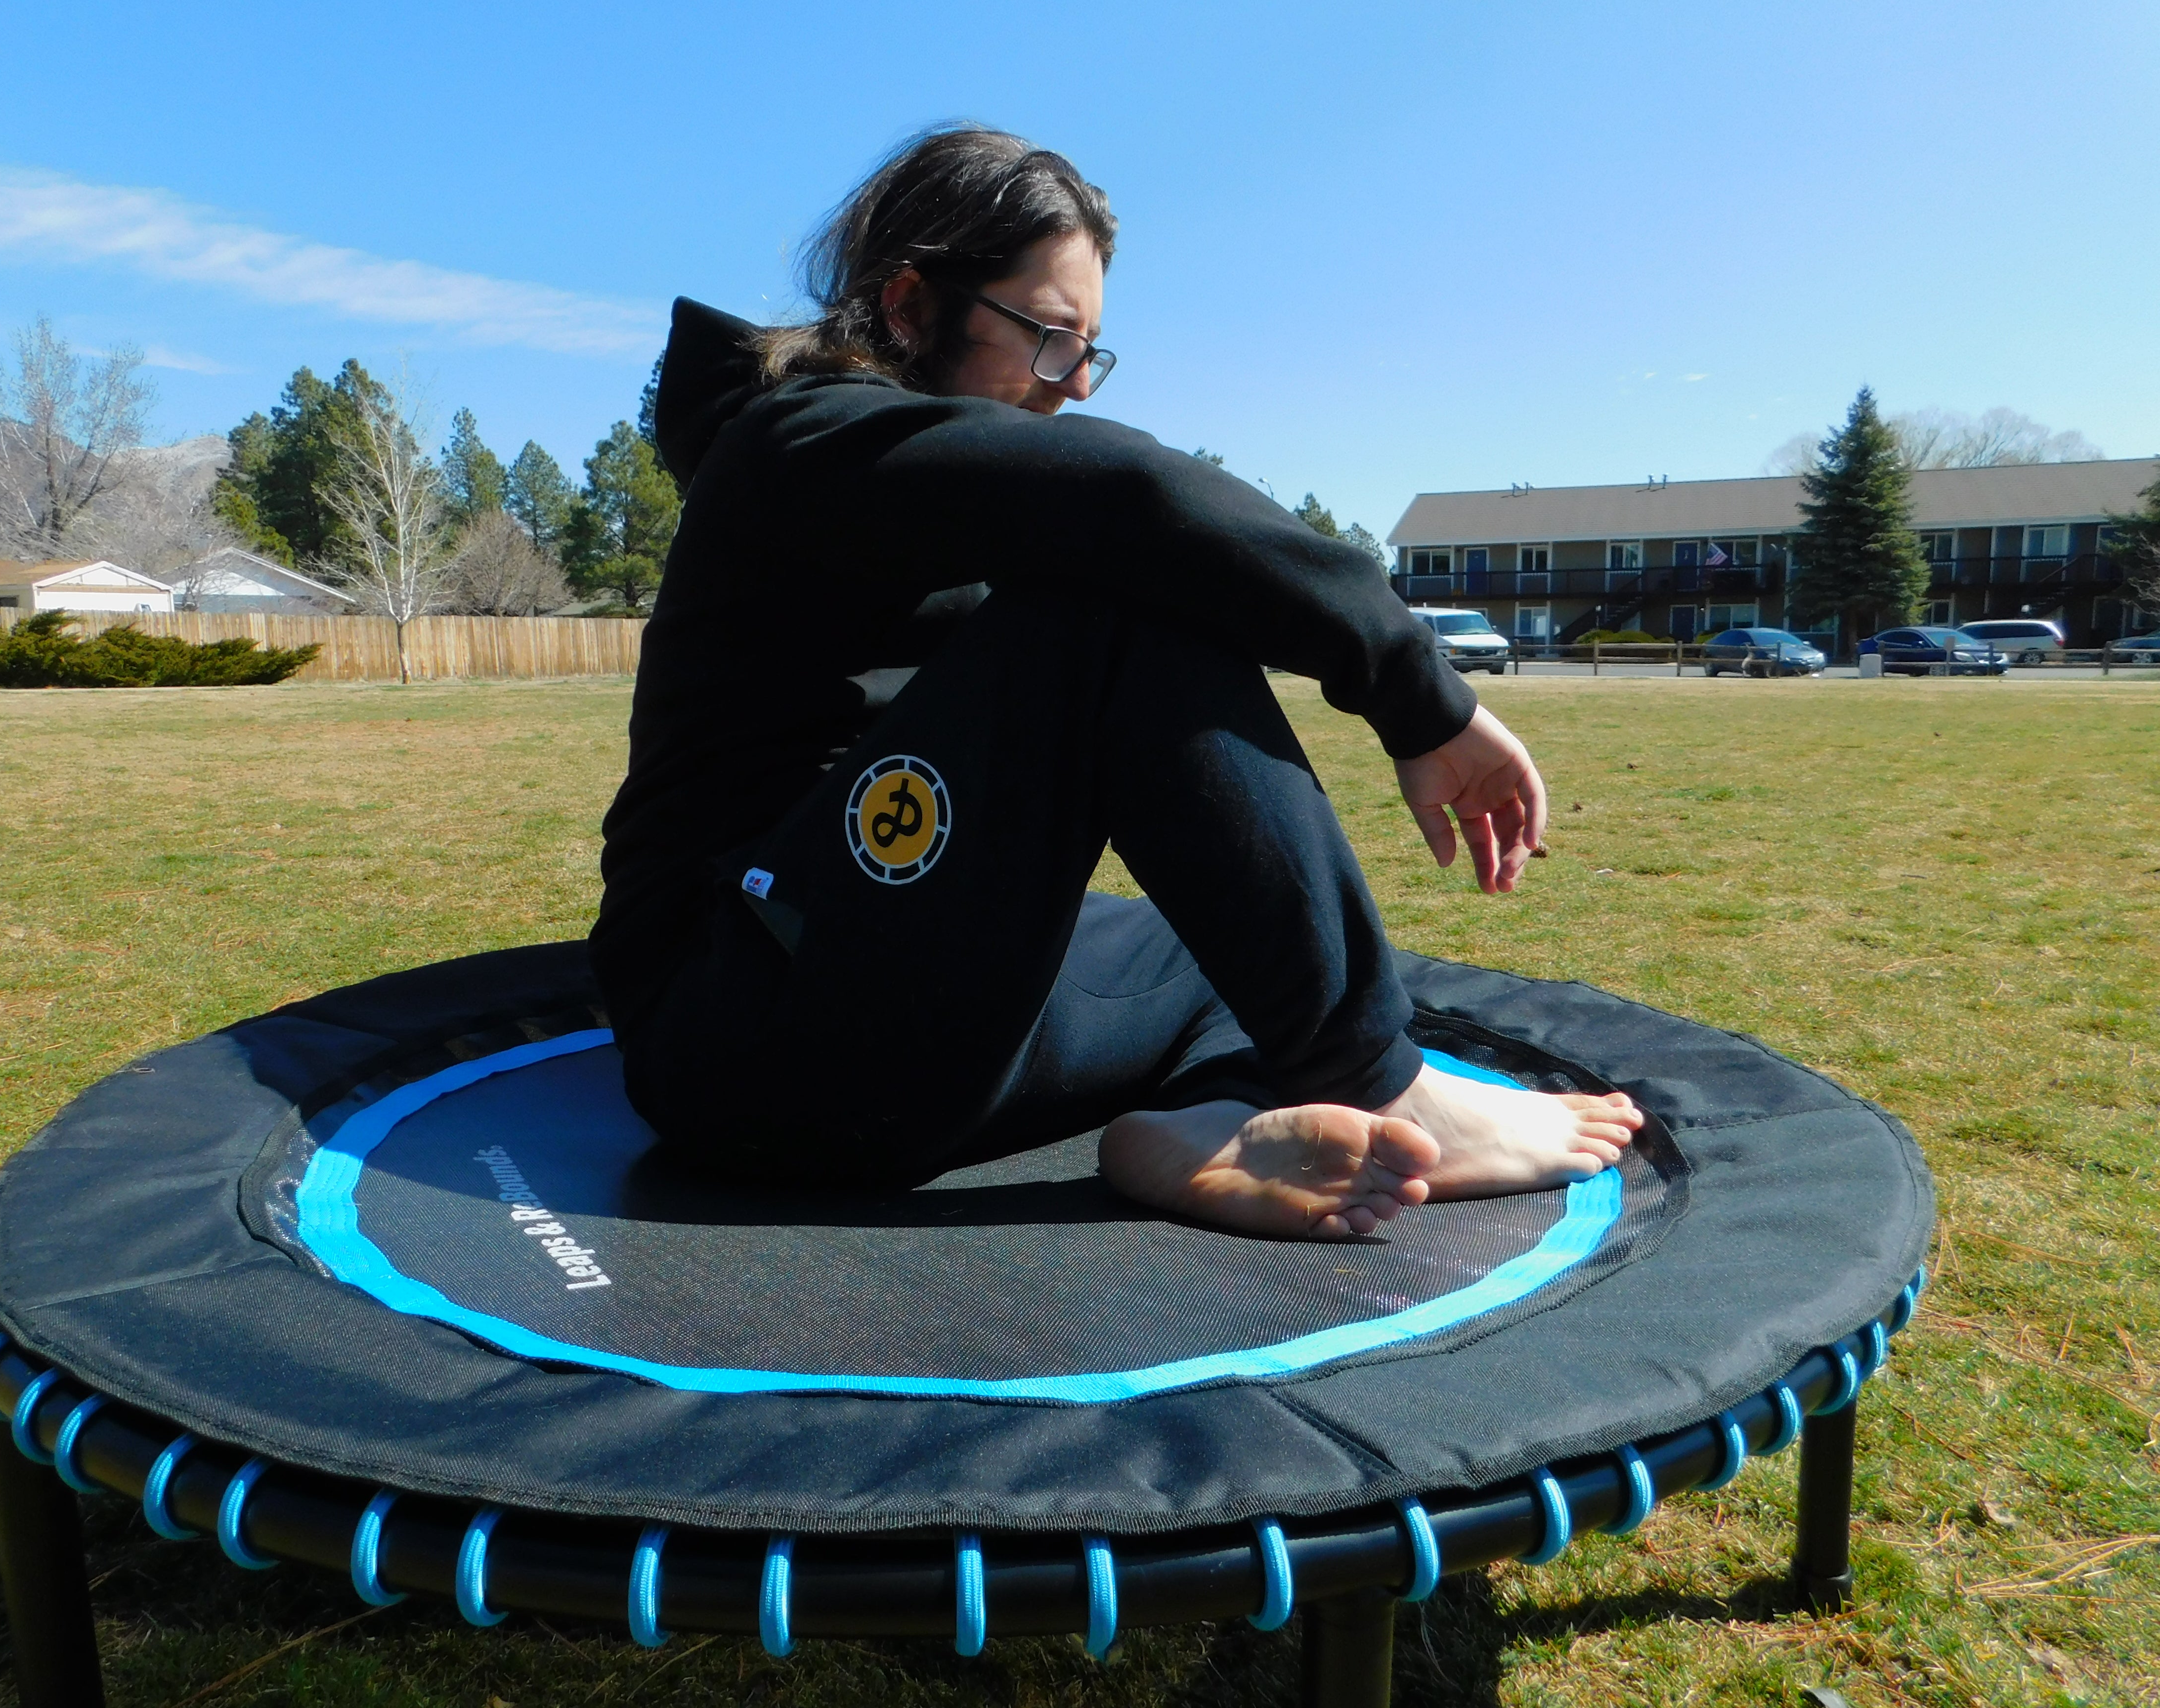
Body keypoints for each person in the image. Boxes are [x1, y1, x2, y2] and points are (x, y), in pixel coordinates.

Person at [592, 126, 1640, 1240]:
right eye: (1049, 338)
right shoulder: (798, 446)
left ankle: (1204, 1123)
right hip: (745, 1040)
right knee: (1113, 605)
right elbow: (1136, 499)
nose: (1074, 382)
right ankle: (1379, 1079)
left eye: (1091, 349)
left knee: (1222, 948)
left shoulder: (917, 479)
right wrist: (1423, 701)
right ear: (908, 307)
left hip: (884, 1002)